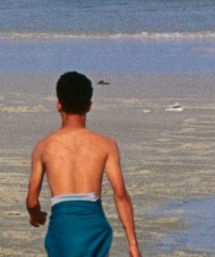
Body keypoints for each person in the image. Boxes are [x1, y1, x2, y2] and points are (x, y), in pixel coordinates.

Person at [26, 72, 141, 257]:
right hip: (94, 225)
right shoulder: (106, 145)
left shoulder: (44, 146)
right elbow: (120, 194)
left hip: (63, 226)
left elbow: (32, 200)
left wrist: (36, 215)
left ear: (58, 105)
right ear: (89, 106)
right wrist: (133, 244)